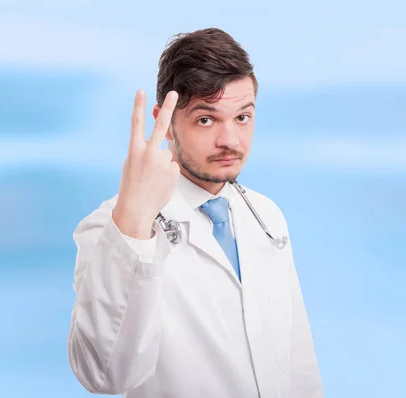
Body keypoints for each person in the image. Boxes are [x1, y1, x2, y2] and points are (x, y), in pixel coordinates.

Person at [67, 27, 323, 398]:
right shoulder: (111, 227)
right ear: (166, 122)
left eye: (242, 117)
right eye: (206, 119)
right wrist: (135, 225)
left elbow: (298, 359)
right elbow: (105, 376)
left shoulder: (266, 215)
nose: (230, 141)